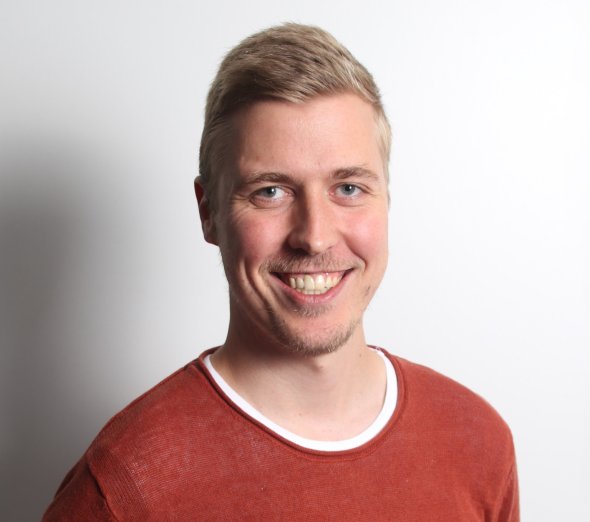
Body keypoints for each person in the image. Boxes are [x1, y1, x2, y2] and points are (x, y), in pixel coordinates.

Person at [43, 23, 519, 521]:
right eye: (270, 192)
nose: (314, 236)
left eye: (349, 188)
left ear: (387, 199)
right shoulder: (124, 487)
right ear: (209, 212)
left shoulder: (477, 440)